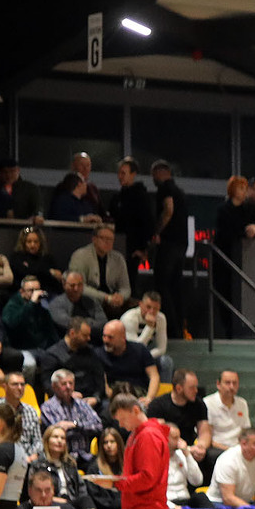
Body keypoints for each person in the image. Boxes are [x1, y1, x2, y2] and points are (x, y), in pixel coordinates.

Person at [212, 176, 255, 336]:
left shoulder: (250, 209)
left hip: (245, 259)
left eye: (245, 188)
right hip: (225, 259)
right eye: (241, 188)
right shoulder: (223, 210)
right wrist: (244, 231)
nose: (244, 192)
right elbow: (225, 231)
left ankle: (240, 330)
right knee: (225, 295)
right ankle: (228, 331)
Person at [151, 160, 190, 337]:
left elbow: (168, 210)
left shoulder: (165, 189)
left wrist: (157, 231)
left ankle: (170, 327)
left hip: (168, 243)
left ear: (160, 172)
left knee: (162, 284)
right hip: (182, 244)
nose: (153, 178)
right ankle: (180, 327)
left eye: (153, 174)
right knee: (176, 286)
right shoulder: (180, 192)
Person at [147, 370, 211, 470]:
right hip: (167, 450)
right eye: (191, 388)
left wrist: (201, 447)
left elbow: (205, 432)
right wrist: (184, 448)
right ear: (179, 388)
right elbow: (158, 436)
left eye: (196, 387)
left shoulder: (199, 404)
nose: (196, 391)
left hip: (190, 449)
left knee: (207, 457)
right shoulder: (157, 405)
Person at [109, 157, 155, 292]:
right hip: (116, 246)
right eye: (119, 173)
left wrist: (142, 248)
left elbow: (147, 223)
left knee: (129, 282)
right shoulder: (118, 197)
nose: (120, 176)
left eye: (123, 173)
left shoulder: (141, 197)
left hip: (132, 248)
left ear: (133, 174)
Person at [40, 368, 103, 464]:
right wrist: (84, 428)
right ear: (54, 386)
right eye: (64, 384)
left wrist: (75, 425)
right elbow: (59, 431)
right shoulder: (47, 407)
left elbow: (98, 426)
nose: (68, 387)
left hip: (85, 456)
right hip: (62, 457)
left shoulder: (82, 404)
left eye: (71, 383)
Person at [206, 428, 255, 507]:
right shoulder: (228, 460)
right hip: (219, 503)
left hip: (243, 502)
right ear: (244, 444)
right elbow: (228, 498)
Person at [68, 225, 131, 317]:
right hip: (88, 299)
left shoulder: (118, 258)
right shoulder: (80, 256)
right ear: (94, 239)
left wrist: (121, 297)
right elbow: (80, 287)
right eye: (103, 238)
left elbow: (125, 287)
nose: (107, 242)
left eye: (110, 239)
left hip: (113, 301)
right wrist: (106, 297)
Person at [97, 319, 160, 401]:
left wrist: (149, 398)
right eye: (104, 336)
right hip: (113, 394)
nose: (106, 340)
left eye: (110, 337)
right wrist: (109, 393)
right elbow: (101, 380)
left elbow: (154, 376)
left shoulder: (140, 350)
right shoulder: (99, 354)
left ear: (123, 337)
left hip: (138, 392)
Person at [121, 291, 172, 382]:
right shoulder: (129, 318)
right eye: (148, 307)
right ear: (141, 304)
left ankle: (164, 390)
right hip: (128, 354)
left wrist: (147, 358)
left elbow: (161, 348)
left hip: (148, 354)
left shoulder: (161, 318)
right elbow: (136, 350)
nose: (151, 312)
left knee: (166, 362)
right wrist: (150, 327)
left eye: (155, 309)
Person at [11, 227, 64, 296]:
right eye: (29, 242)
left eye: (36, 242)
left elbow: (58, 275)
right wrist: (49, 272)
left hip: (46, 293)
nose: (32, 245)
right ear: (23, 243)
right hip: (24, 294)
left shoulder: (47, 258)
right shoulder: (17, 257)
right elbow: (26, 273)